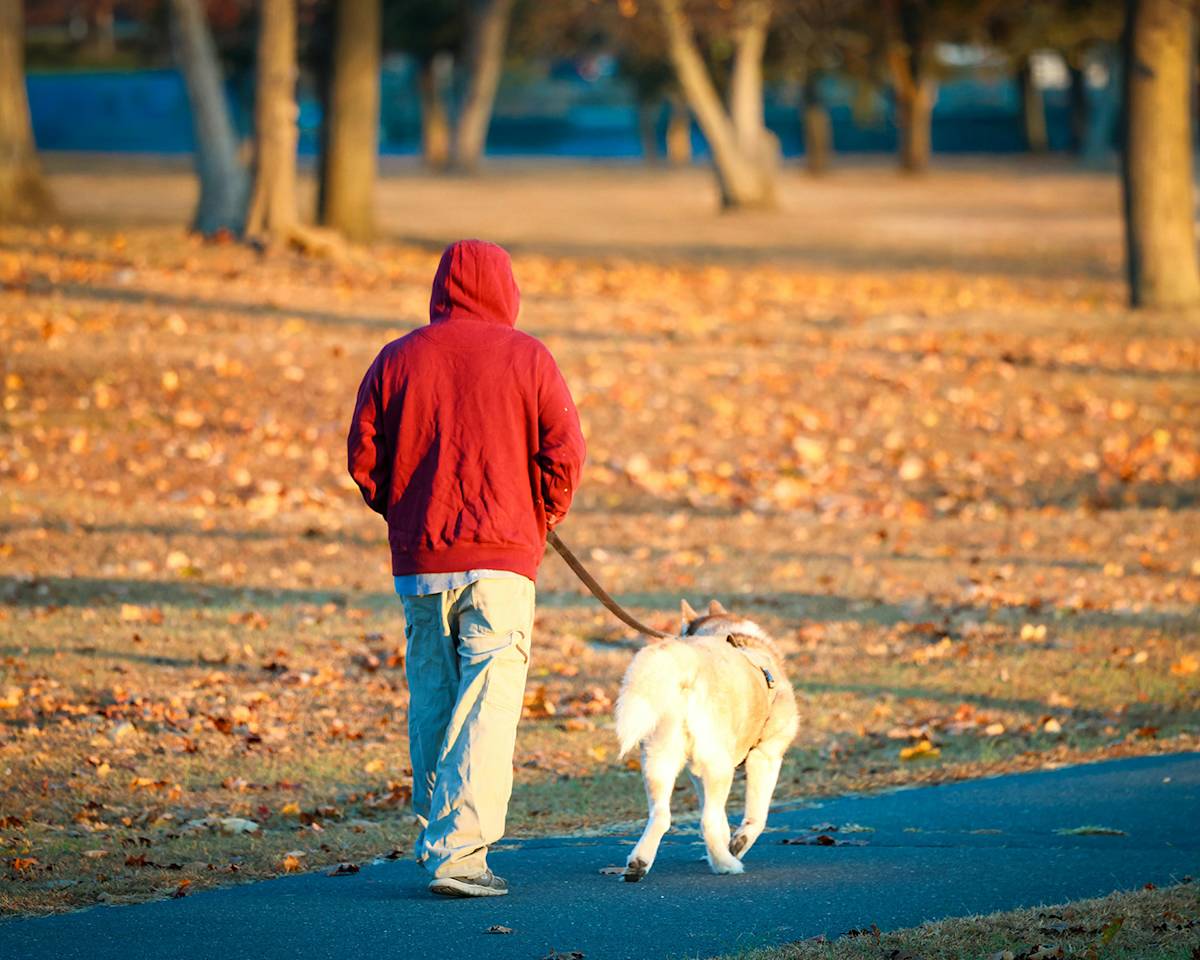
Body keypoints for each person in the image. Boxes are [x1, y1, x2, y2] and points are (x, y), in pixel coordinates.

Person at [347, 239, 586, 898]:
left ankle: (438, 831)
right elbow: (565, 454)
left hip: (421, 562)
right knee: (487, 701)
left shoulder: (397, 359)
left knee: (433, 695)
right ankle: (458, 854)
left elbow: (363, 455)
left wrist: (404, 511)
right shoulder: (529, 357)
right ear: (506, 291)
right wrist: (539, 519)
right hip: (503, 562)